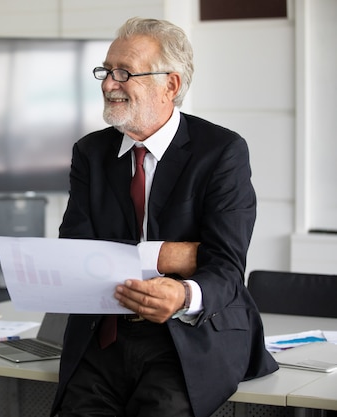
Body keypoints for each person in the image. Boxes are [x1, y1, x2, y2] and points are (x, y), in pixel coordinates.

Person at [51, 17, 278, 417]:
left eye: (124, 73)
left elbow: (225, 265)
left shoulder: (222, 151)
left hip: (189, 337)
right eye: (105, 71)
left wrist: (184, 293)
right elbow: (75, 253)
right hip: (105, 335)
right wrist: (167, 256)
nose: (108, 84)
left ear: (170, 85)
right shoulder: (90, 153)